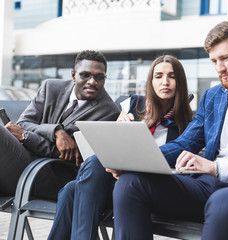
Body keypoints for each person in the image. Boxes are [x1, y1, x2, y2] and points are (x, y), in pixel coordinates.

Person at [109, 21, 228, 240]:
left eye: (226, 58)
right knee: (130, 183)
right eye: (214, 61)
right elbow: (184, 143)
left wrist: (218, 167)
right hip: (205, 185)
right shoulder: (213, 97)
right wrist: (133, 161)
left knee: (223, 202)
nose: (219, 68)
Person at [47, 55, 193, 240]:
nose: (165, 82)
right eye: (158, 76)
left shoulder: (188, 124)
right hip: (112, 180)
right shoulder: (131, 105)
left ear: (180, 81)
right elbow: (107, 145)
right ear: (151, 81)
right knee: (72, 188)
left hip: (148, 187)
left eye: (172, 76)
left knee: (76, 186)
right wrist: (117, 127)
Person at [0, 50, 120, 200]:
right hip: (24, 162)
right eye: (85, 75)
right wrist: (56, 131)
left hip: (50, 173)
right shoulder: (51, 87)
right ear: (73, 75)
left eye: (99, 77)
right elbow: (23, 122)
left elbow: (63, 154)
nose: (92, 82)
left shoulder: (108, 112)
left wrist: (25, 135)